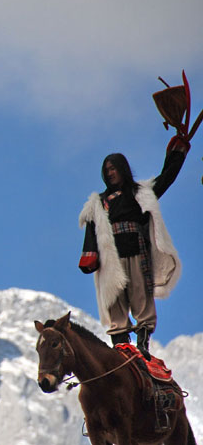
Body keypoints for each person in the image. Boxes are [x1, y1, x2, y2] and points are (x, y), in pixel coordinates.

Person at [78, 136, 190, 359]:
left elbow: (166, 178)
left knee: (141, 296)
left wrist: (177, 154)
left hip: (137, 252)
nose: (110, 172)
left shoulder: (140, 193)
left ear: (122, 170)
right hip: (110, 258)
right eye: (106, 169)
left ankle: (142, 345)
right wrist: (89, 257)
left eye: (113, 168)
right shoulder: (97, 203)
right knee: (114, 300)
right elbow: (91, 232)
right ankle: (120, 347)